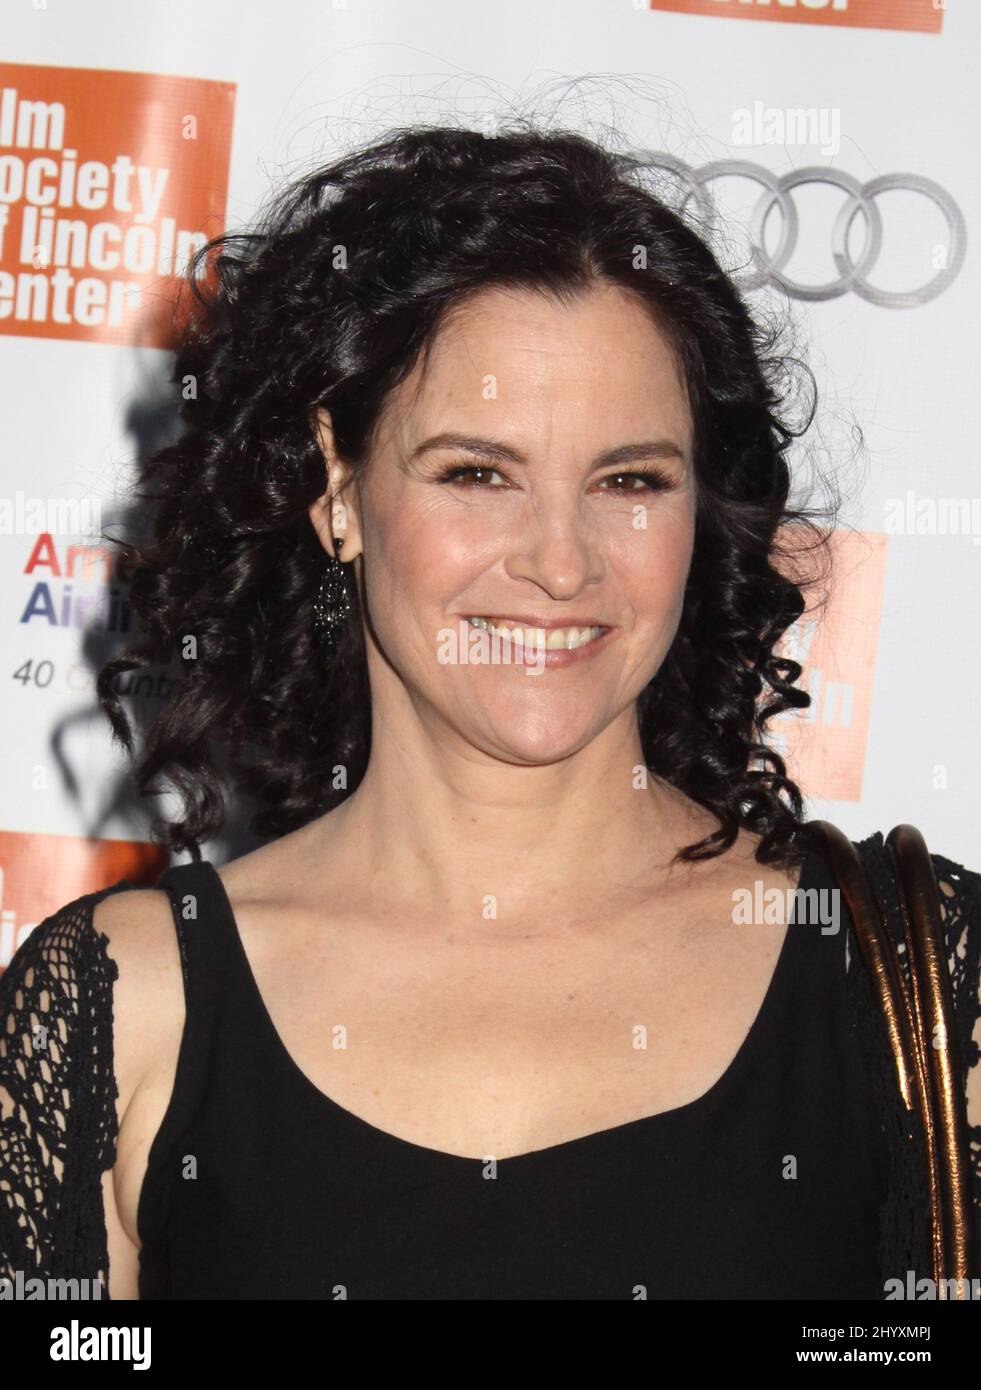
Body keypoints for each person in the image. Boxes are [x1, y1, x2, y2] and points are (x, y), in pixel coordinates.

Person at [1, 123, 978, 1301]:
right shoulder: (124, 1007)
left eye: (630, 480)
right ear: (339, 488)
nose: (561, 562)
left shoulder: (911, 979)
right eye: (477, 473)